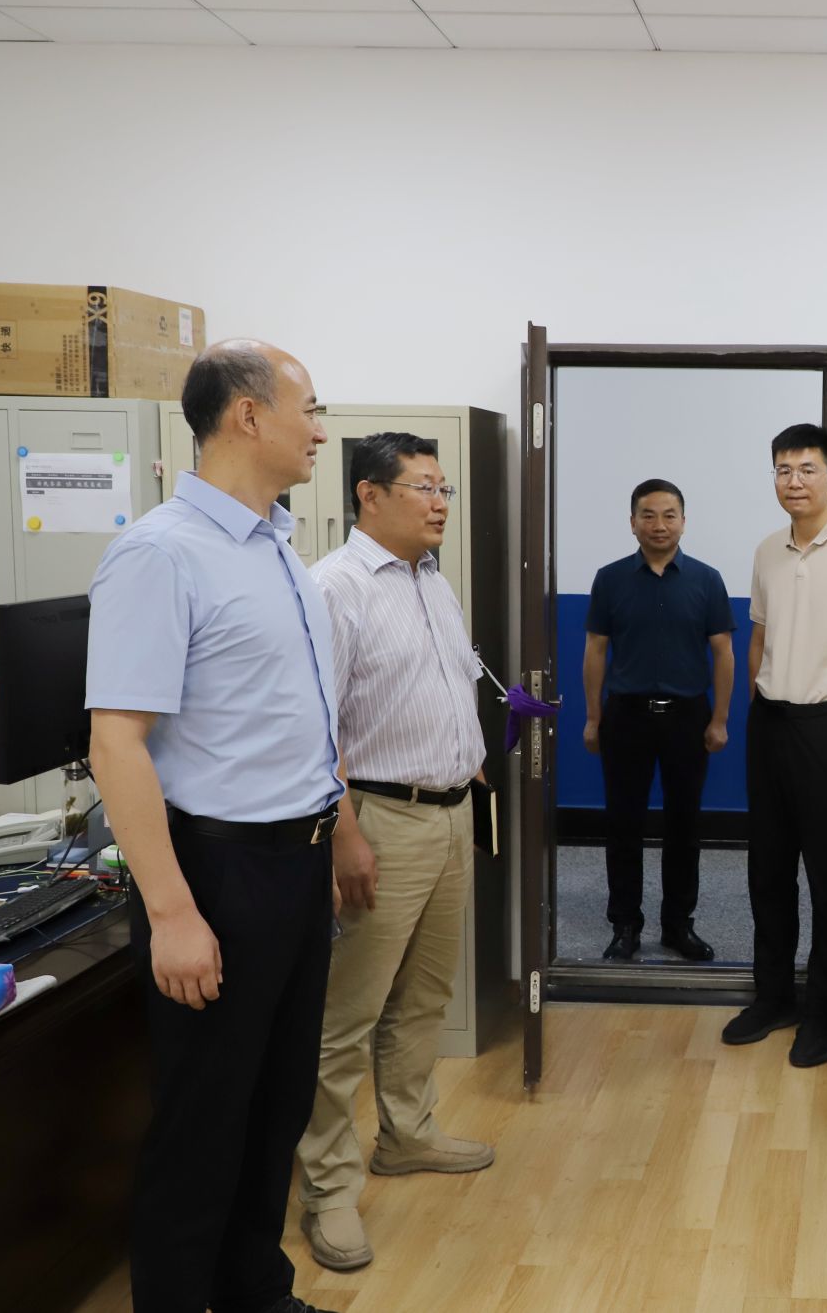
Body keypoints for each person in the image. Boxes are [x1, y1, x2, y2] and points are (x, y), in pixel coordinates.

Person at [86, 339, 339, 1313]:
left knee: (274, 1106)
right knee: (203, 1121)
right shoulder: (161, 553)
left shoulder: (275, 546)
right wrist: (173, 912)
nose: (320, 432)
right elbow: (117, 743)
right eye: (309, 410)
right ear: (247, 415)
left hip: (296, 865)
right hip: (220, 875)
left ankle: (254, 1293)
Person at [294, 432, 492, 1272]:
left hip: (448, 814)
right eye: (423, 488)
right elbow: (316, 724)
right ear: (369, 495)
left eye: (444, 488)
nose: (441, 502)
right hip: (378, 818)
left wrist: (468, 761)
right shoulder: (334, 588)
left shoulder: (431, 579)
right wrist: (344, 834)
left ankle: (407, 1133)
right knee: (348, 1014)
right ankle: (328, 1187)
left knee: (425, 994)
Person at [724, 423, 827, 1069]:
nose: (794, 481)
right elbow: (759, 638)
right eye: (783, 470)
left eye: (807, 469)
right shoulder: (768, 549)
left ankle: (824, 1011)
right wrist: (756, 709)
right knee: (767, 870)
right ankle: (774, 997)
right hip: (770, 723)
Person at [581, 479, 734, 962]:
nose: (659, 525)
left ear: (684, 522)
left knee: (684, 826)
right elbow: (595, 650)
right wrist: (593, 718)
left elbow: (724, 653)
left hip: (688, 718)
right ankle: (625, 924)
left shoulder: (707, 580)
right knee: (622, 824)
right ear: (632, 523)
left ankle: (677, 925)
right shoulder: (609, 579)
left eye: (669, 515)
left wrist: (720, 719)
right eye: (648, 515)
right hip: (626, 717)